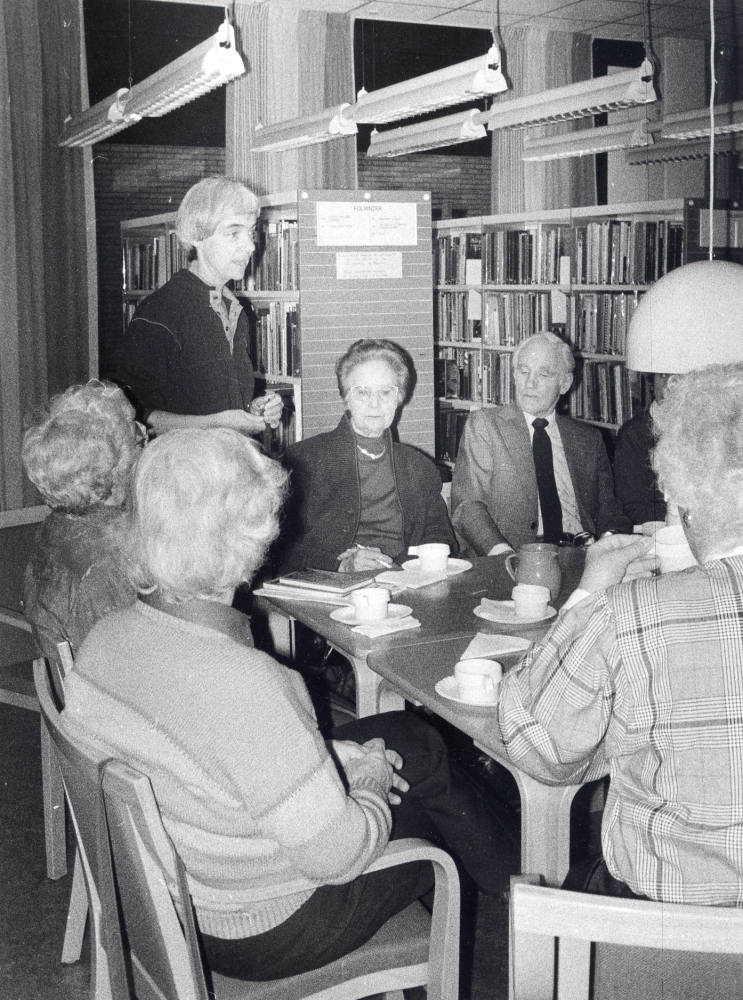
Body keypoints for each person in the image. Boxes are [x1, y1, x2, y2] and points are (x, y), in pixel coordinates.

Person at [62, 428, 517, 982]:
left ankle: (512, 876)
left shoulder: (104, 640)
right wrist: (369, 779)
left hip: (178, 890)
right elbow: (341, 856)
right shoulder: (251, 682)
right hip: (261, 926)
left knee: (411, 736)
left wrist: (324, 756)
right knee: (427, 812)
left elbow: (205, 746)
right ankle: (523, 896)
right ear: (248, 537)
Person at [495, 362, 743, 906]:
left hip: (664, 930)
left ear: (684, 500)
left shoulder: (629, 612)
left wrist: (586, 598)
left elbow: (536, 745)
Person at [113, 176, 282, 438]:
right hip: (183, 471)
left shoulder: (235, 310)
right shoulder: (159, 313)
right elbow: (132, 418)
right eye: (234, 233)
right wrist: (218, 423)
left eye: (251, 232)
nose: (250, 246)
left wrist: (252, 409)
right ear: (197, 236)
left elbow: (215, 403)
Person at [279, 338, 456, 574]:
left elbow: (441, 538)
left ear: (399, 398)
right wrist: (340, 565)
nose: (375, 404)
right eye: (362, 392)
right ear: (346, 398)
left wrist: (403, 567)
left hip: (405, 581)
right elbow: (277, 548)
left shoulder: (419, 467)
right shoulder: (303, 460)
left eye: (385, 392)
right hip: (329, 585)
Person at [451, 331, 631, 559]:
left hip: (581, 553)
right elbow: (466, 506)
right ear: (514, 375)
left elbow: (609, 509)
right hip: (514, 555)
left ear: (564, 383)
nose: (530, 383)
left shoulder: (588, 439)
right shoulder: (485, 425)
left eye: (543, 374)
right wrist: (504, 556)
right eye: (523, 372)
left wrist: (607, 545)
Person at [21, 380, 141, 663]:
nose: (146, 432)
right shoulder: (112, 557)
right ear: (111, 461)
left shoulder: (55, 528)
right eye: (136, 429)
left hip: (77, 692)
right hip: (110, 699)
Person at [613, 373, 669, 528]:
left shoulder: (703, 426)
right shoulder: (632, 434)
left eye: (679, 376)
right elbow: (632, 507)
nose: (671, 383)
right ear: (652, 381)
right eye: (663, 376)